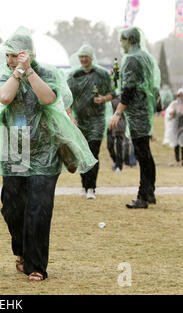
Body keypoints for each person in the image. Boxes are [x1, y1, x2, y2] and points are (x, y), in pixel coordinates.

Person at [0, 27, 97, 282]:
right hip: (15, 151)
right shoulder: (4, 74)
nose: (11, 59)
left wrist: (30, 71)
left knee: (39, 209)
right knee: (12, 207)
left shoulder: (47, 73)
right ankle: (21, 250)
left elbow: (49, 98)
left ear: (30, 54)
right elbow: (3, 97)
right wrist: (17, 72)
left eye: (17, 55)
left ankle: (36, 266)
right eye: (9, 55)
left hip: (45, 151)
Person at [108, 27, 161, 209]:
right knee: (146, 153)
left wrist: (117, 112)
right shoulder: (146, 56)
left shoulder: (131, 58)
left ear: (129, 40)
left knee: (142, 154)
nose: (121, 44)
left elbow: (129, 89)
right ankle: (150, 192)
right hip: (145, 109)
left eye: (122, 40)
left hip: (137, 111)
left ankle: (142, 197)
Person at [67, 45, 115, 200]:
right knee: (81, 154)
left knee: (93, 152)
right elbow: (67, 98)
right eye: (81, 57)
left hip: (97, 120)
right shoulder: (73, 76)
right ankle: (84, 184)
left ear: (91, 57)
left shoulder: (102, 74)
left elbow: (113, 93)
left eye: (86, 56)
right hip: (80, 121)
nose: (83, 59)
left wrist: (103, 99)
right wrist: (70, 116)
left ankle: (91, 188)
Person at [107, 96, 127, 173]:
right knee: (109, 146)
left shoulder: (119, 97)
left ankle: (119, 166)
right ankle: (116, 161)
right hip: (108, 124)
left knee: (119, 146)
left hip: (119, 123)